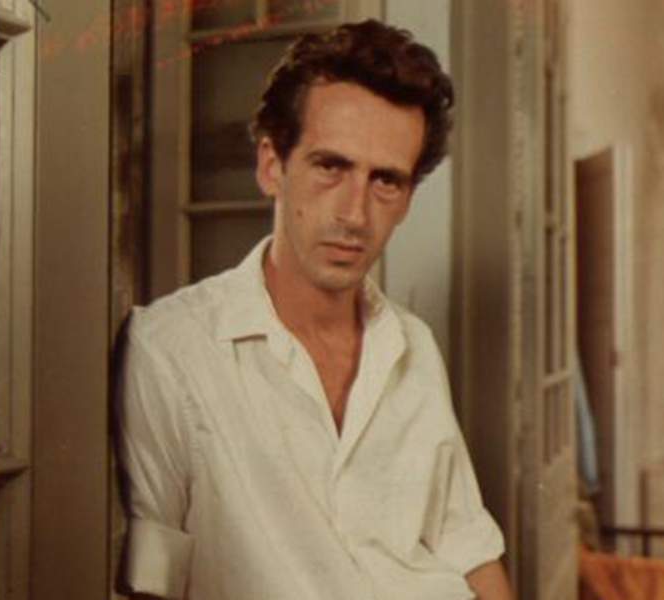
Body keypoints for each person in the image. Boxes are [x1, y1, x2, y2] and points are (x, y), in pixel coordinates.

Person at [116, 19, 512, 600]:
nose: (355, 214)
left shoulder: (412, 345)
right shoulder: (169, 349)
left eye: (386, 181)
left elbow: (470, 549)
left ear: (407, 199)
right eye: (331, 166)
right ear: (272, 166)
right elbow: (151, 586)